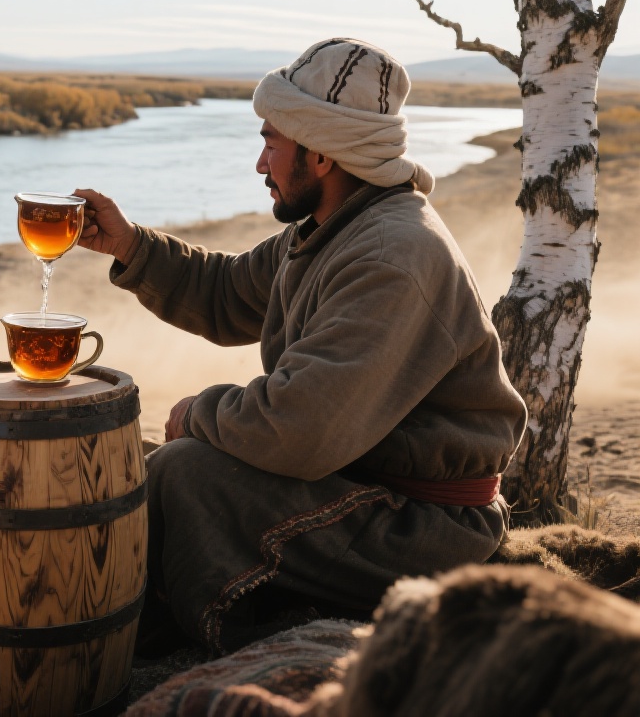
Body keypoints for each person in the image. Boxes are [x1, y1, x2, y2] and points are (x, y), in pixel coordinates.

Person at [72, 38, 528, 655]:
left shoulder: (392, 257)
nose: (261, 164)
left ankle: (138, 638)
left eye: (271, 143)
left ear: (320, 154)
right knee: (153, 465)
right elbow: (228, 292)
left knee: (184, 473)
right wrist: (130, 245)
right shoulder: (331, 227)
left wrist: (197, 413)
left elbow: (301, 429)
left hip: (422, 527)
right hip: (358, 489)